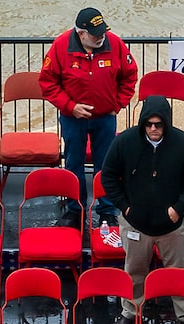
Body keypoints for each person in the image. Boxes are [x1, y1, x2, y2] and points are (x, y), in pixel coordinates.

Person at [100, 96, 184, 322]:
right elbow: (107, 176)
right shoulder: (124, 142)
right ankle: (130, 313)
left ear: (166, 123)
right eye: (149, 124)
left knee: (179, 273)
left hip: (173, 226)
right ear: (142, 123)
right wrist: (125, 207)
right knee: (134, 273)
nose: (153, 129)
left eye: (158, 124)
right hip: (135, 223)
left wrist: (179, 208)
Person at [40, 8, 138, 220]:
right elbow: (48, 83)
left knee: (106, 165)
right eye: (95, 34)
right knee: (73, 163)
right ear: (81, 33)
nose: (101, 37)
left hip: (105, 118)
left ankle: (106, 210)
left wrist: (118, 104)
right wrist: (70, 106)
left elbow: (130, 76)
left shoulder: (115, 44)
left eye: (102, 31)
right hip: (72, 118)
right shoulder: (60, 46)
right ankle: (76, 209)